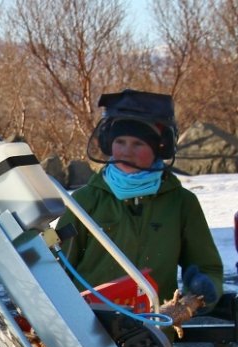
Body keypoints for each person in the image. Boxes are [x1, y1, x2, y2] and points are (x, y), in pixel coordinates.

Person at [57, 89, 223, 313]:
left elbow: (208, 266)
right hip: (91, 323)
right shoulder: (86, 200)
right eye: (120, 141)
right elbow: (60, 267)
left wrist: (205, 287)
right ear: (108, 144)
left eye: (138, 144)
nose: (126, 151)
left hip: (155, 325)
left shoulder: (181, 203)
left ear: (159, 148)